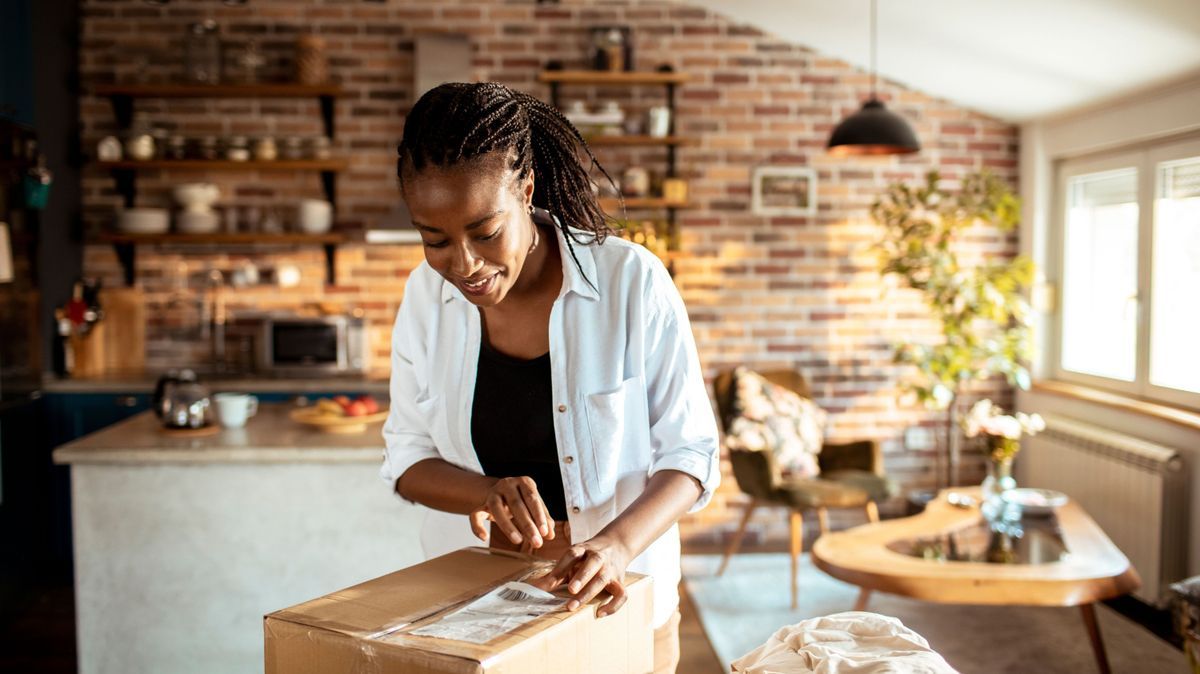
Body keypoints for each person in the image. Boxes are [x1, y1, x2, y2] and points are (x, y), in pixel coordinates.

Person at [380, 81, 720, 674]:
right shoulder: (424, 296)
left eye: (485, 231)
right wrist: (484, 492)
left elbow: (690, 454)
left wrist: (616, 545)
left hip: (618, 603)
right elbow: (408, 459)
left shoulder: (630, 282)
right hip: (475, 612)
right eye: (434, 239)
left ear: (527, 191)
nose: (464, 265)